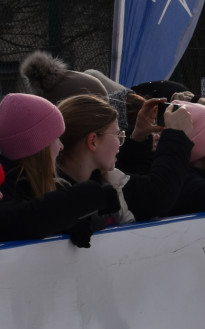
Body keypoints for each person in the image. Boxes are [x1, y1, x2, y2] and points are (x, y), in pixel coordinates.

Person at [55, 94, 195, 243]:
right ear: (93, 141)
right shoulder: (54, 201)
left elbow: (149, 195)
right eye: (117, 134)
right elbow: (160, 195)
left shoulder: (105, 179)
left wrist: (140, 137)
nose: (120, 142)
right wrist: (176, 137)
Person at [0, 93, 122, 245]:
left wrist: (67, 225)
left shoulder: (33, 184)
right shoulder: (6, 187)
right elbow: (15, 221)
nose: (61, 146)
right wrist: (87, 196)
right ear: (39, 147)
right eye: (56, 138)